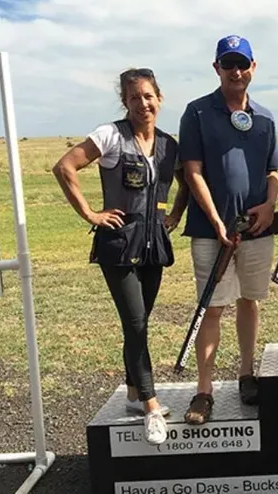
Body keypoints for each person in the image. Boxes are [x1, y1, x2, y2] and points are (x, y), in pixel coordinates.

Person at [52, 68, 188, 445]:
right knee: (136, 323)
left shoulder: (169, 145)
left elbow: (186, 182)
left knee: (139, 322)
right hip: (119, 245)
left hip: (154, 244)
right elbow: (65, 166)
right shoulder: (110, 135)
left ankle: (131, 392)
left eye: (148, 96)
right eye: (134, 97)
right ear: (124, 102)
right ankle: (150, 406)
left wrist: (175, 215)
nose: (142, 104)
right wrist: (90, 214)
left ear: (159, 98)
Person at [177, 35, 278, 425]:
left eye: (242, 64)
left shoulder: (265, 117)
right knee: (213, 307)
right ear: (216, 68)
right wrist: (217, 220)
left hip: (256, 230)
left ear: (253, 67)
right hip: (211, 232)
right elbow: (192, 172)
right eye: (228, 64)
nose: (236, 71)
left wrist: (270, 205)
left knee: (249, 301)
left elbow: (273, 171)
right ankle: (204, 390)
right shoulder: (197, 113)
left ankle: (246, 374)